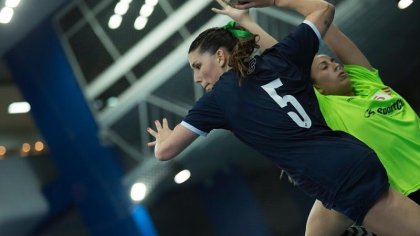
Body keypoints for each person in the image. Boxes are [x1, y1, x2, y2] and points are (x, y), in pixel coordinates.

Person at [146, 0, 420, 235]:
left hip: (339, 176)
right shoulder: (281, 61)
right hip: (348, 165)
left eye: (197, 66)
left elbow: (165, 151)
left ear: (219, 56)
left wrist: (162, 140)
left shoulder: (218, 98)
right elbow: (323, 9)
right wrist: (272, 2)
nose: (196, 77)